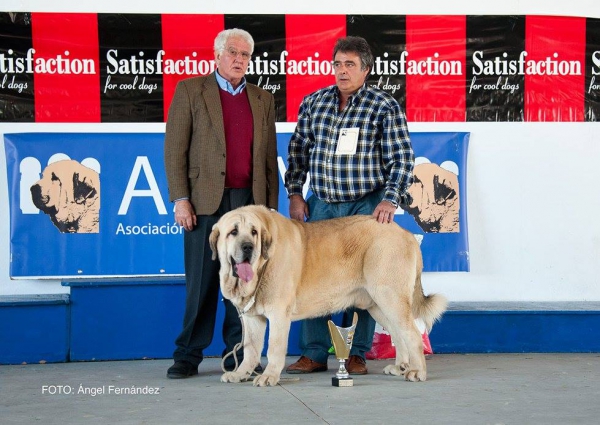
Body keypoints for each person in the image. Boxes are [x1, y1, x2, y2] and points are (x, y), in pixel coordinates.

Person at [284, 36, 414, 375]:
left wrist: (390, 198)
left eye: (350, 65)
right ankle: (313, 353)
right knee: (313, 277)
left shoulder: (383, 106)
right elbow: (297, 151)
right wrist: (295, 194)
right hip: (321, 206)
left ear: (366, 69)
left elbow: (402, 157)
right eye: (338, 64)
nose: (342, 71)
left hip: (366, 207)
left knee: (366, 280)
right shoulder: (314, 102)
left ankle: (356, 353)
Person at [164, 28, 279, 379]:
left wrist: (269, 208)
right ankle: (188, 355)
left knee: (246, 284)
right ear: (216, 55)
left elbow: (269, 158)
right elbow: (174, 149)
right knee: (201, 283)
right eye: (233, 52)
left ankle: (238, 356)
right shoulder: (189, 90)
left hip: (248, 204)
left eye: (245, 55)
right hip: (204, 202)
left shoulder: (262, 98)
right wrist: (181, 199)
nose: (240, 60)